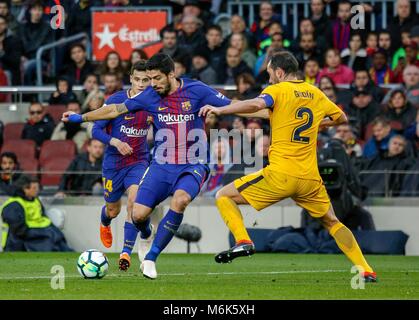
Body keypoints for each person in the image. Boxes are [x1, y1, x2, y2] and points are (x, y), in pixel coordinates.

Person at [199, 51, 377, 282]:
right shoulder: (315, 92)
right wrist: (318, 125)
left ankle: (243, 240)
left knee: (224, 196)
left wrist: (221, 110)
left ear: (280, 72)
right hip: (310, 178)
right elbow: (341, 118)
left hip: (282, 174)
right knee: (332, 222)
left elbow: (255, 104)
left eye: (270, 72)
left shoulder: (277, 90)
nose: (269, 77)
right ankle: (365, 269)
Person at [62, 53, 233, 279]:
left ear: (171, 74)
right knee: (138, 215)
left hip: (192, 161)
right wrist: (81, 117)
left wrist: (266, 107)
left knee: (179, 200)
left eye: (155, 78)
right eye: (147, 78)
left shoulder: (197, 90)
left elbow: (233, 105)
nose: (151, 84)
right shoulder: (149, 97)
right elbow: (114, 110)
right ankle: (142, 233)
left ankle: (148, 256)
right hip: (157, 164)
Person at [91, 61, 154, 271]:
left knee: (134, 203)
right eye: (138, 79)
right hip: (113, 164)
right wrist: (115, 142)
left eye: (146, 80)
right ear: (131, 79)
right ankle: (105, 222)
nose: (142, 84)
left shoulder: (154, 101)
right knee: (113, 210)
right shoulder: (116, 100)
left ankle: (126, 251)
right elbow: (96, 131)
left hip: (139, 161)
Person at [1, 175, 72, 251]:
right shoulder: (14, 205)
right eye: (34, 188)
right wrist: (44, 233)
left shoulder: (35, 201)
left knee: (58, 237)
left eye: (38, 187)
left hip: (39, 233)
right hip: (20, 241)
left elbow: (43, 217)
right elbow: (19, 230)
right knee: (50, 239)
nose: (37, 190)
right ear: (25, 189)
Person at [0, 14, 22, 85]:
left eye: (2, 24)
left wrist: (2, 53)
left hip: (8, 70)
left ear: (6, 25)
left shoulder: (14, 40)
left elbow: (15, 61)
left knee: (5, 74)